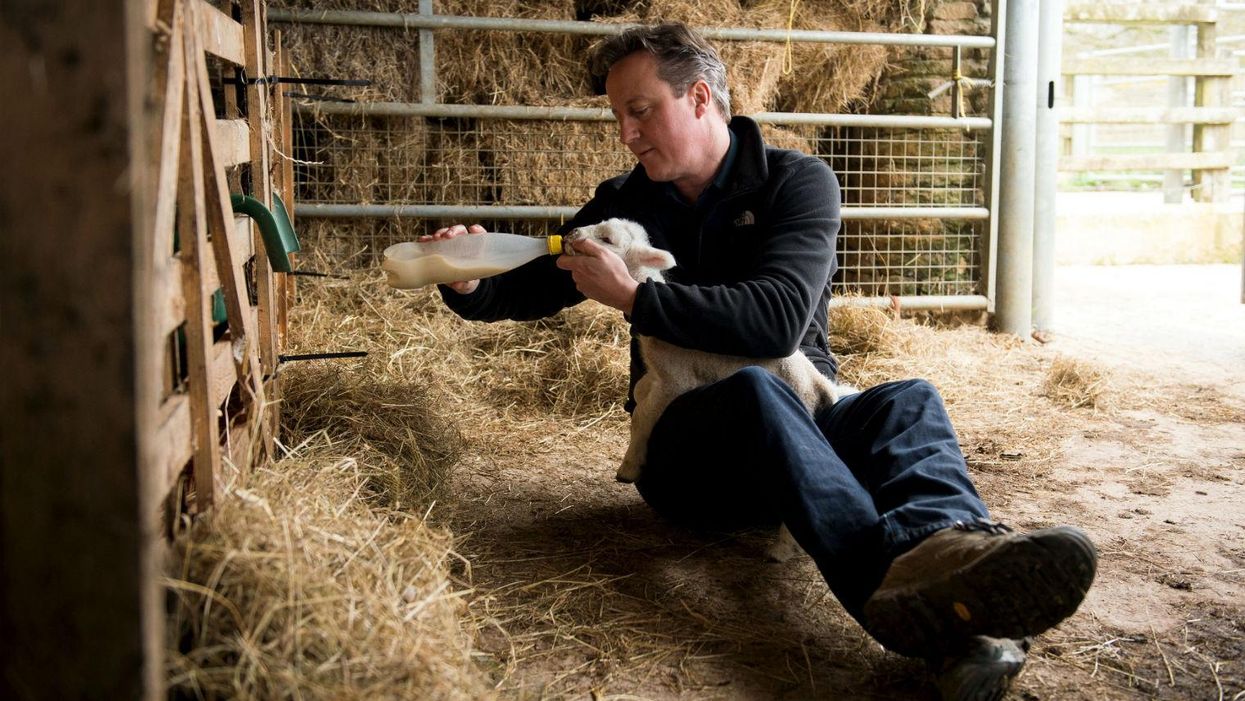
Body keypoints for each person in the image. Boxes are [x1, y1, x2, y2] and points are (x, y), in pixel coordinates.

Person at [429, 22, 1096, 701]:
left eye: (639, 111)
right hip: (691, 460)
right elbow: (533, 284)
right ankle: (890, 589)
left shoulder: (796, 183)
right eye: (617, 117)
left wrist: (638, 299)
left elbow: (776, 319)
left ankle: (956, 583)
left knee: (906, 399)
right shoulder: (624, 205)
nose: (625, 133)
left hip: (800, 425)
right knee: (753, 391)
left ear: (697, 98)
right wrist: (470, 280)